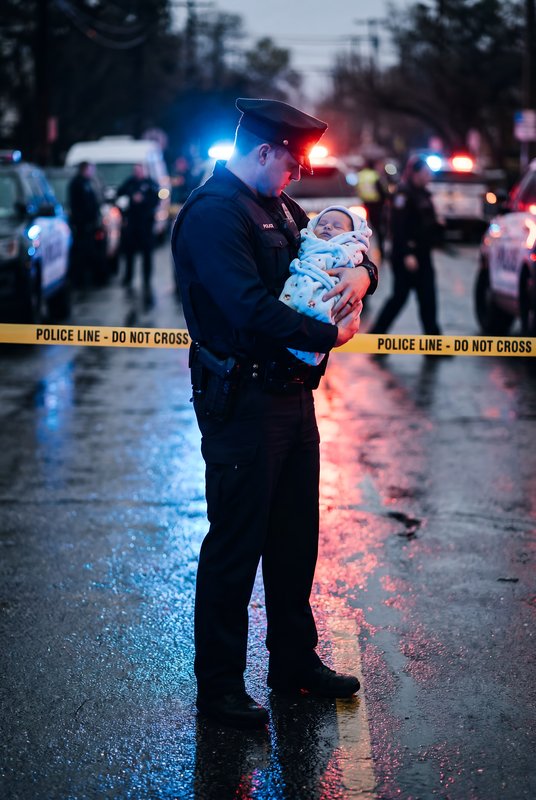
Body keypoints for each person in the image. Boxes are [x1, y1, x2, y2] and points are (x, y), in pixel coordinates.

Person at [171, 97, 378, 730]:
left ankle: (293, 663)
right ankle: (220, 688)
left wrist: (363, 275)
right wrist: (332, 337)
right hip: (243, 401)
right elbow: (249, 309)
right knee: (236, 547)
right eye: (292, 162)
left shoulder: (279, 206)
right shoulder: (213, 215)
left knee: (294, 541)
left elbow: (340, 249)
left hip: (292, 396)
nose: (298, 175)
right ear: (263, 151)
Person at [279, 205, 372, 365]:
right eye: (322, 224)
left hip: (329, 292)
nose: (328, 226)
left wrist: (366, 272)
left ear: (351, 235)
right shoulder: (307, 242)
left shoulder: (347, 250)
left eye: (337, 226)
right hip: (289, 321)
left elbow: (361, 260)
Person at [368, 155, 444, 339]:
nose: (429, 177)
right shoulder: (403, 194)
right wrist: (407, 253)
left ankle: (434, 343)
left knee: (428, 299)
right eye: (425, 173)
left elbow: (426, 222)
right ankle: (376, 337)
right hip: (406, 255)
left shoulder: (424, 193)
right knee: (399, 297)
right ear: (415, 174)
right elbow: (398, 227)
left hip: (423, 254)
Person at [116, 164, 159, 304]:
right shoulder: (130, 182)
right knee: (129, 254)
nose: (138, 172)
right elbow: (119, 193)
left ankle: (146, 280)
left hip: (146, 226)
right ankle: (128, 279)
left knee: (147, 255)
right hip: (132, 225)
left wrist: (143, 200)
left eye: (140, 170)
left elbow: (156, 200)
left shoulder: (151, 184)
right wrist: (131, 197)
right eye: (136, 170)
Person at [68, 161, 101, 287]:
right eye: (90, 169)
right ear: (84, 169)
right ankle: (80, 281)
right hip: (82, 227)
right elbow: (78, 206)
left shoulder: (86, 182)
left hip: (89, 226)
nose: (92, 172)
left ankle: (86, 279)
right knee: (81, 255)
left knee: (89, 254)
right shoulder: (77, 184)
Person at [357, 159, 387, 256]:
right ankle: (381, 250)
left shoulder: (360, 175)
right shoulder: (374, 175)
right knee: (378, 229)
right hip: (376, 204)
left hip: (365, 204)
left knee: (365, 228)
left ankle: (363, 251)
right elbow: (381, 190)